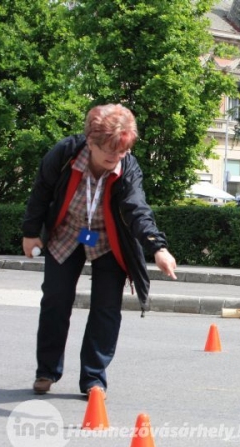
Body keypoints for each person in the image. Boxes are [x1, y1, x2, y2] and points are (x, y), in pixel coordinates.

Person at [21, 103, 178, 397]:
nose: (115, 156)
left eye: (121, 151)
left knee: (106, 309)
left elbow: (137, 209)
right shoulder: (65, 154)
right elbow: (41, 189)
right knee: (55, 300)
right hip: (67, 233)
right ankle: (46, 371)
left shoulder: (127, 167)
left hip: (107, 240)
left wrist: (157, 247)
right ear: (91, 141)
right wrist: (31, 233)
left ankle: (93, 379)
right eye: (109, 149)